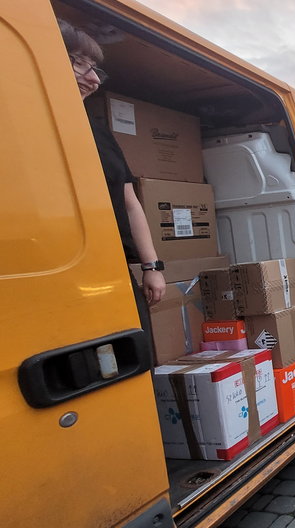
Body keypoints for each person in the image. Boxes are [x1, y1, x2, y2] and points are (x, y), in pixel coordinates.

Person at [59, 20, 166, 324]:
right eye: (79, 63)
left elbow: (129, 201)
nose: (93, 79)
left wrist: (152, 267)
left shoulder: (97, 132)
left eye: (95, 68)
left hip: (108, 269)